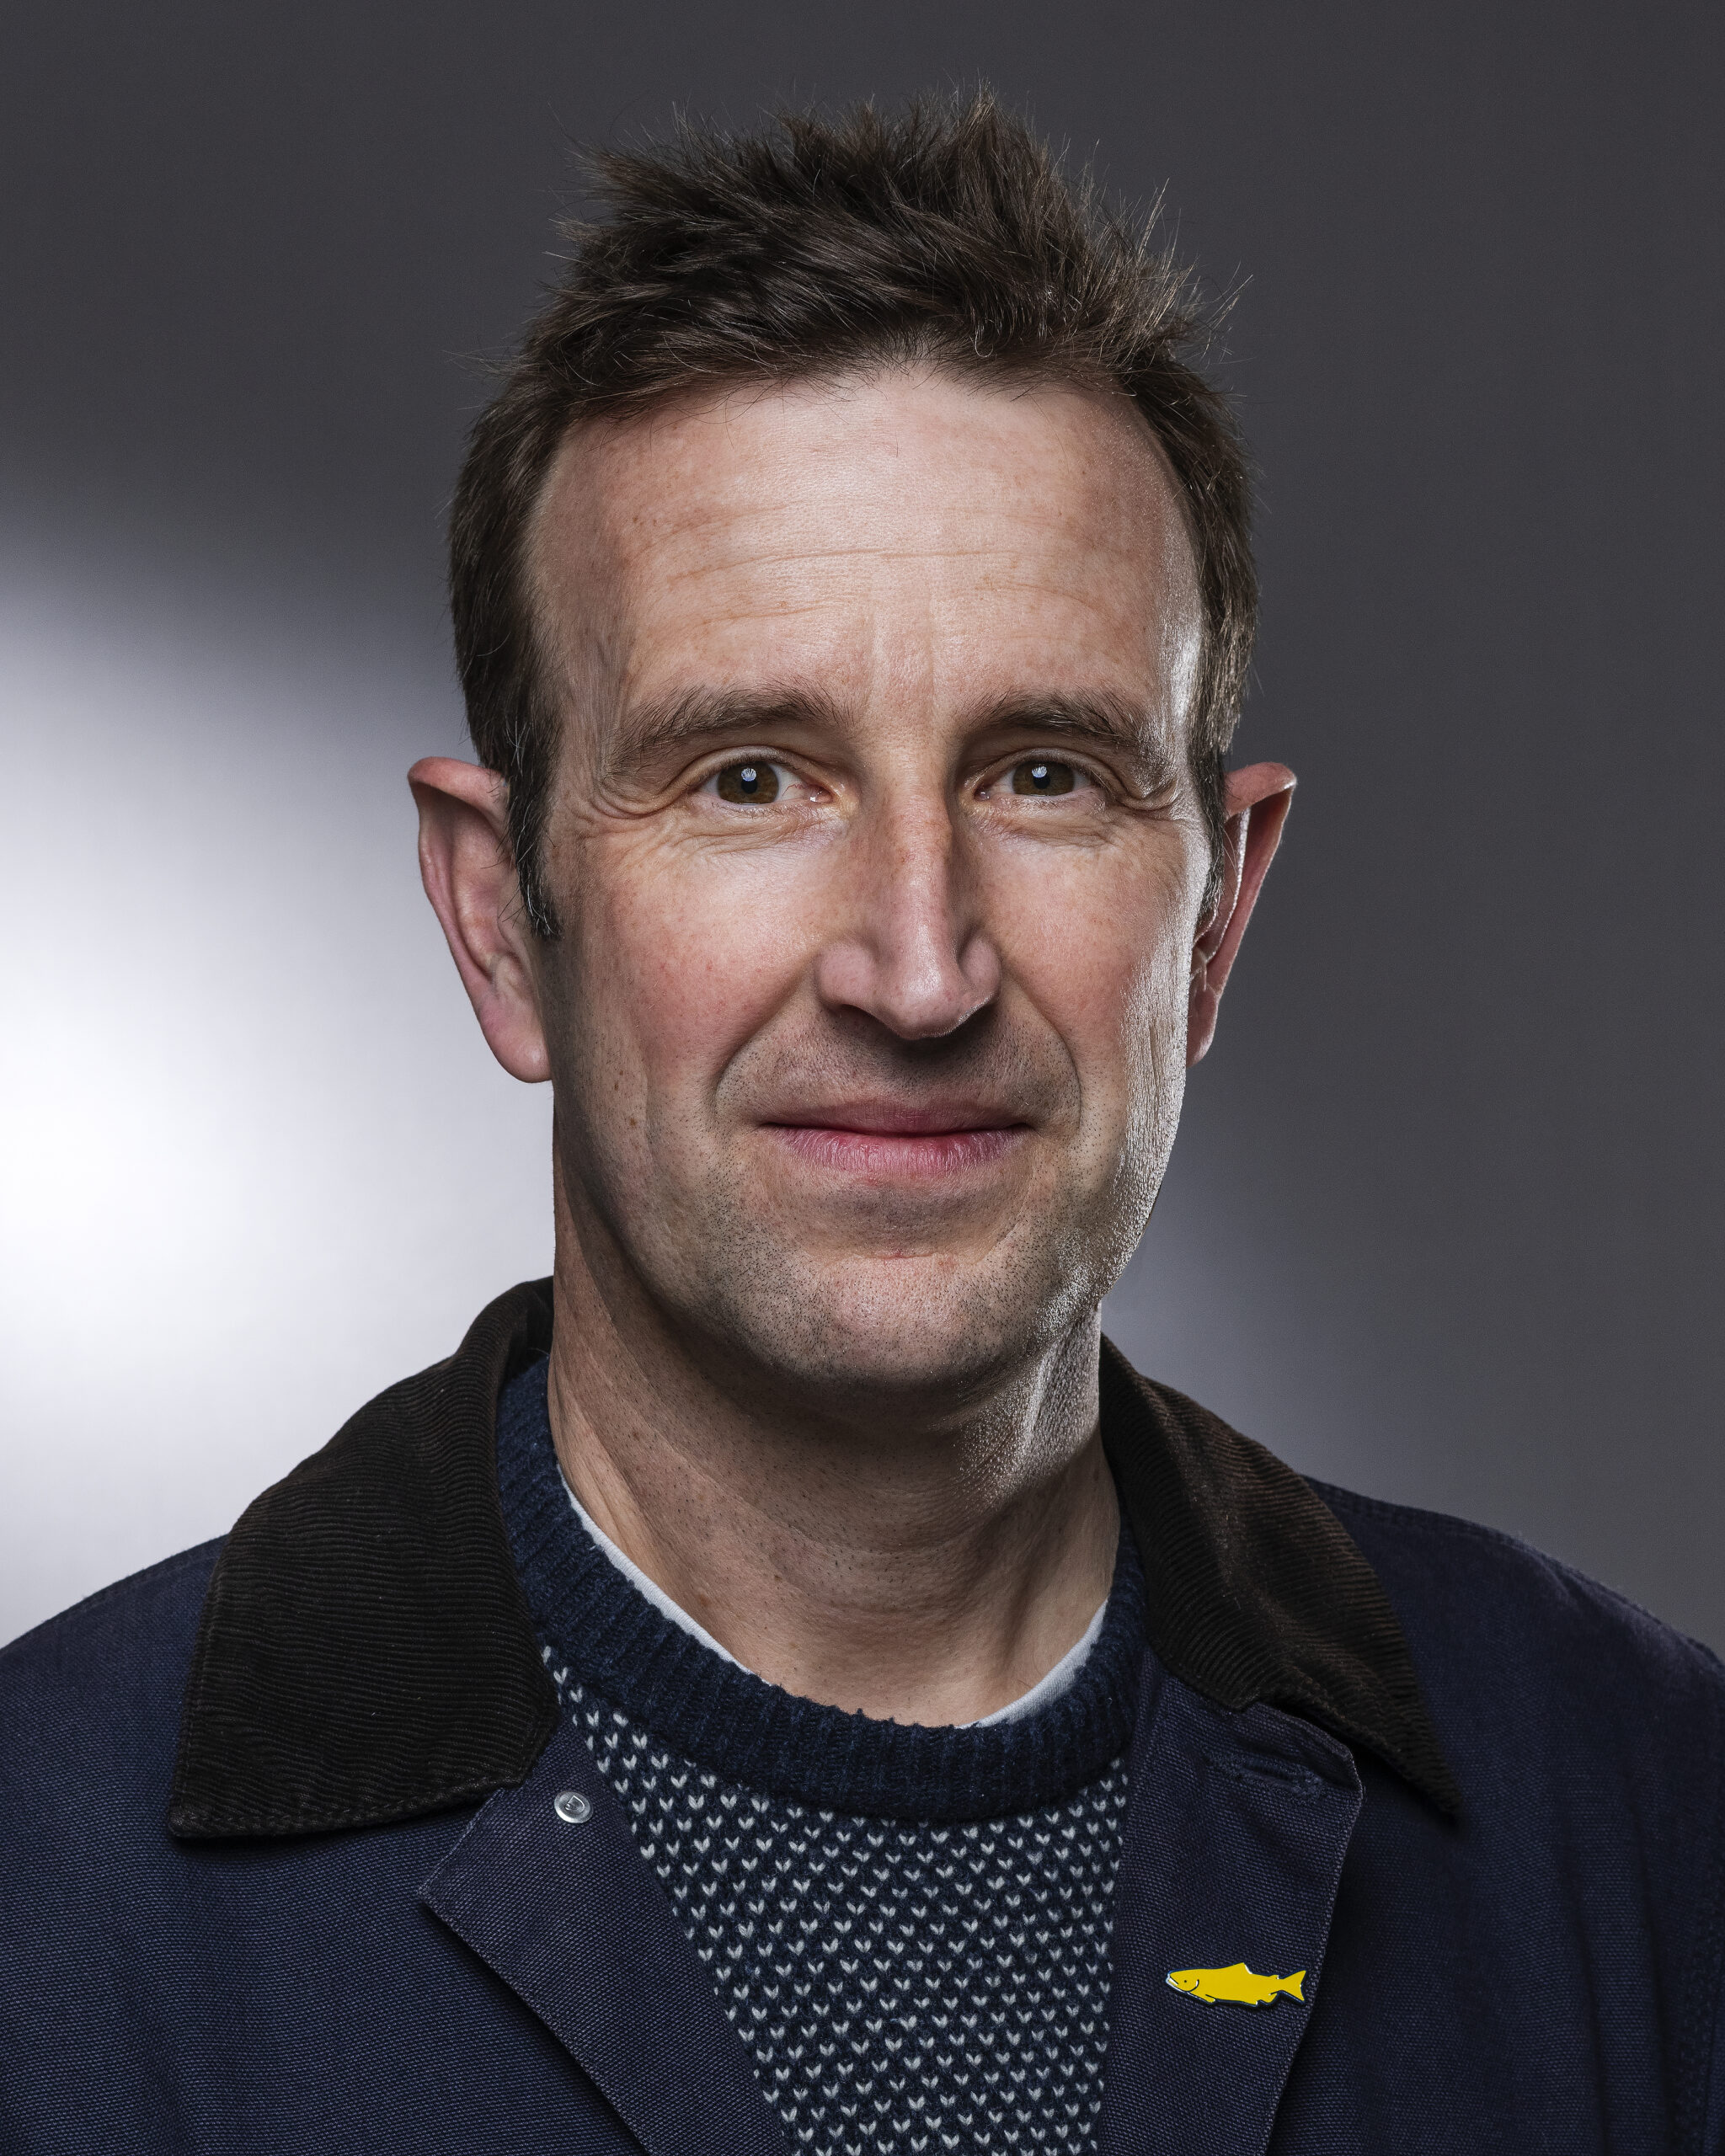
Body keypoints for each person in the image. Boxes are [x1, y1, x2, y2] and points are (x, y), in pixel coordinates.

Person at [2, 94, 1721, 2156]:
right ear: (500, 922)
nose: (917, 969)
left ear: (1215, 918)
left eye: (1046, 775)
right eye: (747, 775)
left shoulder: (1635, 1809)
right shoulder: (45, 1890)